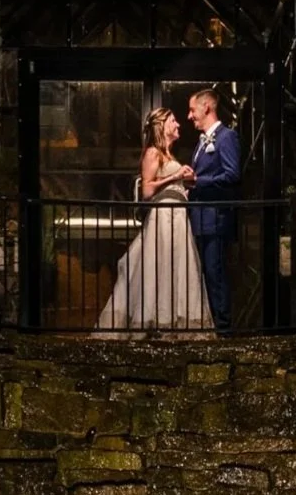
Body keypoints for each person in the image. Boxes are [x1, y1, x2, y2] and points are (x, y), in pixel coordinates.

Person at [94, 107, 214, 337]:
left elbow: (167, 185)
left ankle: (174, 322)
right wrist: (175, 178)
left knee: (177, 268)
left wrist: (183, 187)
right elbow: (148, 189)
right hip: (164, 220)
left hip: (178, 219)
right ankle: (155, 322)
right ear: (162, 125)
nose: (178, 124)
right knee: (160, 267)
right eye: (173, 120)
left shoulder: (169, 155)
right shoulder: (153, 153)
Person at [186, 89, 240, 334]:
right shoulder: (202, 140)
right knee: (208, 273)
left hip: (215, 218)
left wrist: (198, 181)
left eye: (192, 110)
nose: (189, 116)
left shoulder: (226, 137)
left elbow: (232, 174)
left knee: (215, 273)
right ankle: (214, 324)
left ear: (206, 107)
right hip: (201, 218)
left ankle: (224, 329)